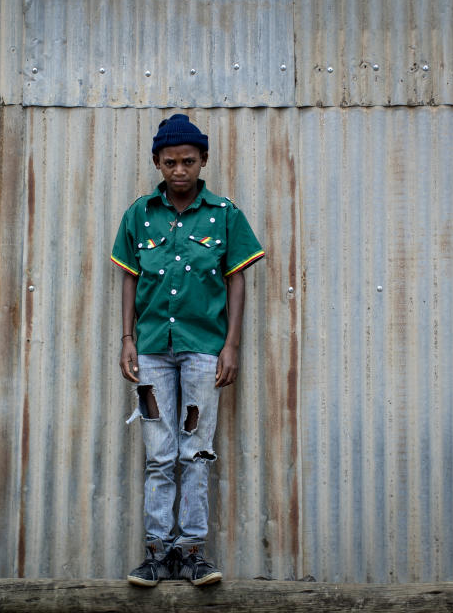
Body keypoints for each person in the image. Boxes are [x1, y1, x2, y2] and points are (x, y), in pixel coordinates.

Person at [110, 114, 265, 587]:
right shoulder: (140, 213)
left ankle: (192, 552)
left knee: (195, 452)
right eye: (171, 162)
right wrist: (127, 339)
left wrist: (231, 345)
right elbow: (130, 278)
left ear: (204, 162)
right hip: (154, 349)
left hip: (202, 350)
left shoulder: (224, 214)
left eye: (189, 162)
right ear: (158, 162)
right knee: (160, 455)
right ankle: (156, 554)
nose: (180, 170)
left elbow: (236, 279)